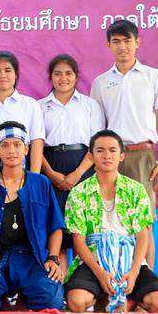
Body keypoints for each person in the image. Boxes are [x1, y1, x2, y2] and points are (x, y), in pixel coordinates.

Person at [0, 121, 65, 312]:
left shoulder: (40, 183)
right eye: (5, 145)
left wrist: (53, 258)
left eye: (17, 145)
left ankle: (24, 296)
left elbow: (55, 226)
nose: (11, 150)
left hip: (32, 260)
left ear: (26, 149)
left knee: (51, 300)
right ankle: (3, 302)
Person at [64, 130, 158, 314]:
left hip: (129, 260)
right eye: (100, 151)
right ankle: (101, 297)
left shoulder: (136, 190)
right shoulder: (78, 193)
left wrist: (134, 271)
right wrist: (100, 273)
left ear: (122, 156)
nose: (107, 155)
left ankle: (132, 302)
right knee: (76, 301)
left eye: (113, 150)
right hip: (94, 261)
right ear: (91, 156)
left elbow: (143, 236)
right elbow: (78, 241)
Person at [91, 19, 158, 268]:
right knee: (108, 221)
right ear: (108, 45)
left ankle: (147, 282)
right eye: (116, 42)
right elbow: (98, 126)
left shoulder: (153, 76)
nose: (122, 47)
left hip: (142, 156)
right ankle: (112, 281)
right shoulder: (101, 82)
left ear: (138, 42)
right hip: (110, 158)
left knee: (143, 223)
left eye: (127, 41)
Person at [38, 54, 105, 256]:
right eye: (57, 74)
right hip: (50, 166)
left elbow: (97, 144)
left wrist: (77, 174)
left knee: (82, 230)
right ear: (51, 77)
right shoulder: (39, 107)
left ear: (76, 76)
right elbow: (35, 145)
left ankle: (81, 276)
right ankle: (57, 275)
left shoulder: (90, 105)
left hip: (83, 166)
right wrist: (50, 174)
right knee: (55, 229)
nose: (63, 78)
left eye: (68, 73)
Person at [0, 51, 45, 173]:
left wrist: (34, 176)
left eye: (7, 70)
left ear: (16, 74)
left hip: (21, 162)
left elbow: (36, 142)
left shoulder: (30, 104)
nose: (2, 75)